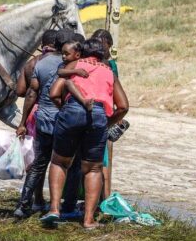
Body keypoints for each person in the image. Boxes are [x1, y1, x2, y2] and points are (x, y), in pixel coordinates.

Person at [44, 38, 129, 229]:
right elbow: (123, 106)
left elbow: (53, 93)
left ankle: (54, 210)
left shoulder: (74, 64)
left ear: (83, 52)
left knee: (60, 161)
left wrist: (66, 109)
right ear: (103, 54)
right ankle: (89, 220)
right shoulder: (109, 72)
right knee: (93, 169)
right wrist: (106, 123)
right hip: (98, 116)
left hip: (72, 112)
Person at [13, 29, 74, 218]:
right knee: (64, 164)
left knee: (39, 163)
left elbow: (29, 94)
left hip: (43, 119)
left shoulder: (40, 63)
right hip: (65, 121)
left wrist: (22, 122)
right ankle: (59, 207)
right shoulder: (71, 65)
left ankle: (23, 206)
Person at [15, 29, 57, 210]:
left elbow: (21, 91)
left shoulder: (33, 62)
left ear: (42, 45)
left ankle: (37, 198)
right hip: (54, 112)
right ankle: (51, 202)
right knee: (54, 159)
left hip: (33, 113)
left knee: (35, 158)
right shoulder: (63, 63)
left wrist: (22, 122)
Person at [91, 29, 130, 198]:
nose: (101, 48)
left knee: (101, 160)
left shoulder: (108, 65)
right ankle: (100, 200)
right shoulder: (106, 65)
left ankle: (103, 199)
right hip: (104, 114)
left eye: (103, 45)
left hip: (103, 114)